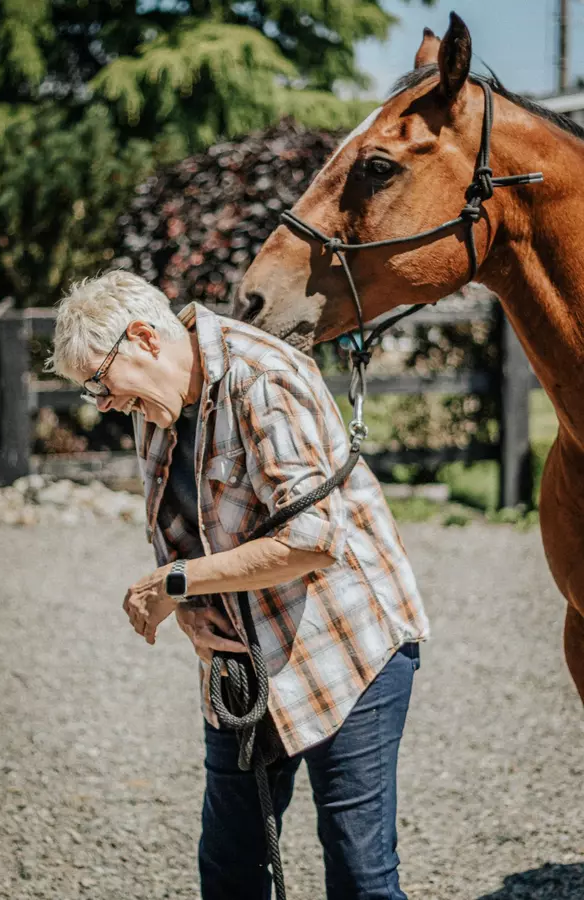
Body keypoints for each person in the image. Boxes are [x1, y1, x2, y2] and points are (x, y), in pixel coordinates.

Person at [48, 270, 429, 900]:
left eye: (99, 383)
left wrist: (175, 583)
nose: (104, 403)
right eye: (92, 393)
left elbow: (311, 541)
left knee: (361, 875)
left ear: (144, 337)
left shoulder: (263, 378)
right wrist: (193, 607)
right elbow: (181, 533)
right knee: (230, 865)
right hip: (241, 662)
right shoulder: (157, 402)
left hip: (346, 647)